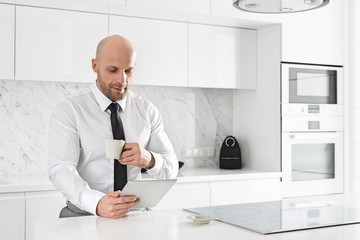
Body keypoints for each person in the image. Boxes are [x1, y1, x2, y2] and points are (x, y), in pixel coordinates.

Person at [47, 35, 179, 219]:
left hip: (136, 215)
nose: (122, 80)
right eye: (113, 70)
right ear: (95, 66)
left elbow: (172, 168)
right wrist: (97, 203)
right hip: (86, 215)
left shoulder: (147, 111)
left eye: (128, 71)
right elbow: (61, 169)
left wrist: (149, 159)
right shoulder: (70, 111)